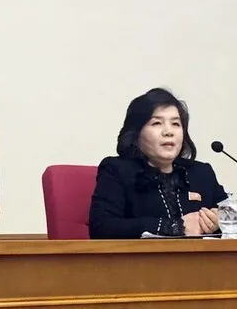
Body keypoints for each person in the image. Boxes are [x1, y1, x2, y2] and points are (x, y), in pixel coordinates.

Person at [89, 88, 227, 239]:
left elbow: (236, 221)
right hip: (140, 262)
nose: (169, 132)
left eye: (175, 124)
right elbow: (102, 227)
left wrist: (219, 222)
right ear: (136, 133)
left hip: (202, 262)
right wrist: (176, 226)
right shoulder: (117, 170)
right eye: (156, 123)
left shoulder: (201, 173)